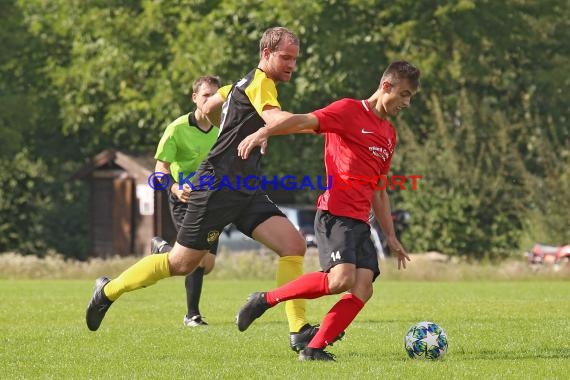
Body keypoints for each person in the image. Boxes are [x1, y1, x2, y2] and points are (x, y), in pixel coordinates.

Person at [86, 26, 341, 353]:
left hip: (244, 187)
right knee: (181, 264)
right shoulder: (261, 83)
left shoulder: (241, 83)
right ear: (266, 54)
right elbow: (275, 117)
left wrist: (243, 127)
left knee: (292, 245)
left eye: (295, 58)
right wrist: (319, 122)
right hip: (217, 186)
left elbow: (210, 107)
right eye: (286, 57)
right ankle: (107, 291)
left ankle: (298, 330)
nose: (292, 64)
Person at [235, 60, 419, 361]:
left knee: (363, 288)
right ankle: (264, 300)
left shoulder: (388, 133)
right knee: (340, 280)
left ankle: (314, 348)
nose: (407, 103)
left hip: (360, 221)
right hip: (336, 213)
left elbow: (380, 189)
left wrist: (391, 236)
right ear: (387, 86)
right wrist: (263, 132)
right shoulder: (348, 111)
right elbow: (302, 120)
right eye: (405, 94)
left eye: (411, 97)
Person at [151, 75, 228, 327]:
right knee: (194, 259)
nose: (211, 101)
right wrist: (173, 188)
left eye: (215, 96)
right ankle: (192, 315)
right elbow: (160, 169)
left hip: (213, 200)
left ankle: (163, 250)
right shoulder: (177, 129)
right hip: (184, 199)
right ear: (195, 98)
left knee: (207, 264)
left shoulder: (223, 128)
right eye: (206, 95)